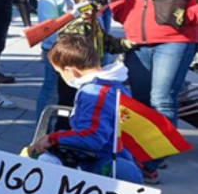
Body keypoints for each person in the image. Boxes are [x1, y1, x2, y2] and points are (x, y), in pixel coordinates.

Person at [110, 0, 198, 183]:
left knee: (162, 99)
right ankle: (143, 153)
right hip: (137, 37)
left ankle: (151, 161)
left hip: (176, 38)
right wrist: (122, 14)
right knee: (140, 100)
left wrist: (188, 17)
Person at [30, 34, 142, 184]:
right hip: (115, 158)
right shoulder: (112, 84)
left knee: (45, 164)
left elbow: (93, 136)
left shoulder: (94, 93)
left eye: (60, 73)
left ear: (71, 71)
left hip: (104, 166)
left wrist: (53, 138)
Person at [34, 0, 75, 120]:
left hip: (80, 50)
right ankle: (41, 130)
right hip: (57, 49)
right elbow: (48, 28)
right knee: (51, 90)